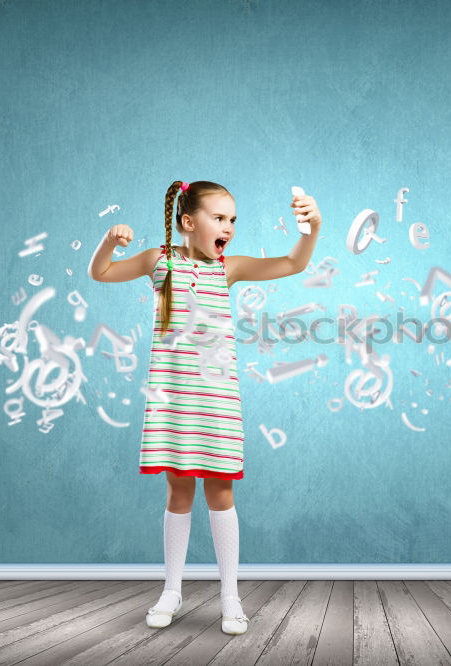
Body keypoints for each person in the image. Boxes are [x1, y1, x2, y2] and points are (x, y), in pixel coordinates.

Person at [88, 180, 322, 634]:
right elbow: (100, 273)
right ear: (188, 223)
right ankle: (171, 590)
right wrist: (107, 241)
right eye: (220, 218)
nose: (229, 228)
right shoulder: (158, 261)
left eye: (233, 220)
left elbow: (294, 262)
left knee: (220, 493)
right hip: (173, 398)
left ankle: (230, 596)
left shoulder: (227, 269)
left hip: (216, 399)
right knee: (177, 493)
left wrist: (312, 227)